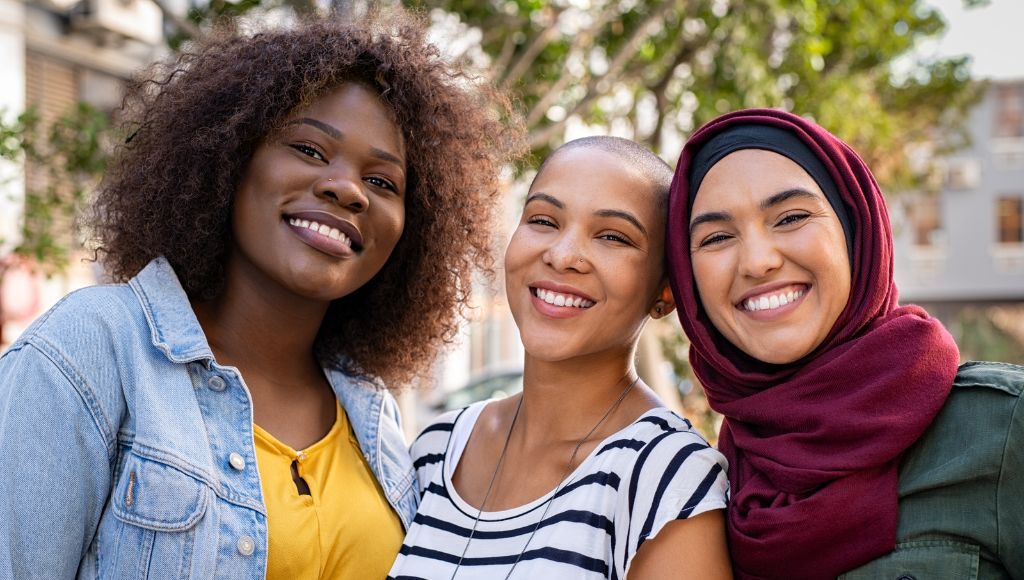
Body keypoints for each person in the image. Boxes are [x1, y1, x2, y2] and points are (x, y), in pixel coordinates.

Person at [0, 11, 525, 580]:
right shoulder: (94, 349)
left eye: (382, 182)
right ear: (228, 159)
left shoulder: (372, 414)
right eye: (308, 149)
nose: (346, 188)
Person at [666, 108, 1024, 579]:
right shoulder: (701, 489)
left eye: (791, 217)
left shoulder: (1001, 430)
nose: (757, 261)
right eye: (716, 237)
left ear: (857, 232)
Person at [388, 136, 732, 580]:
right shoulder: (437, 449)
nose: (563, 255)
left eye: (612, 236)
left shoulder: (668, 476)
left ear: (666, 291)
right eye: (544, 220)